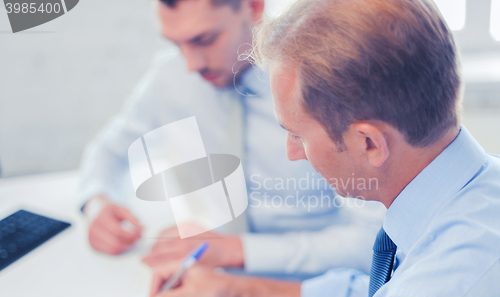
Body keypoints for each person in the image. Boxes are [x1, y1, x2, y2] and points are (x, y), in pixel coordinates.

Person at [148, 0, 500, 297]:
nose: (292, 152)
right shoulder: (478, 189)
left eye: (298, 134)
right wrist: (233, 291)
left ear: (369, 143)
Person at [80, 0, 381, 278]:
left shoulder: (327, 81)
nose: (191, 65)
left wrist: (237, 250)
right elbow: (110, 149)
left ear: (253, 7)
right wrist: (97, 203)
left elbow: (370, 243)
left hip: (314, 295)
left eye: (204, 39)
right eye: (176, 44)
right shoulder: (169, 76)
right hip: (213, 279)